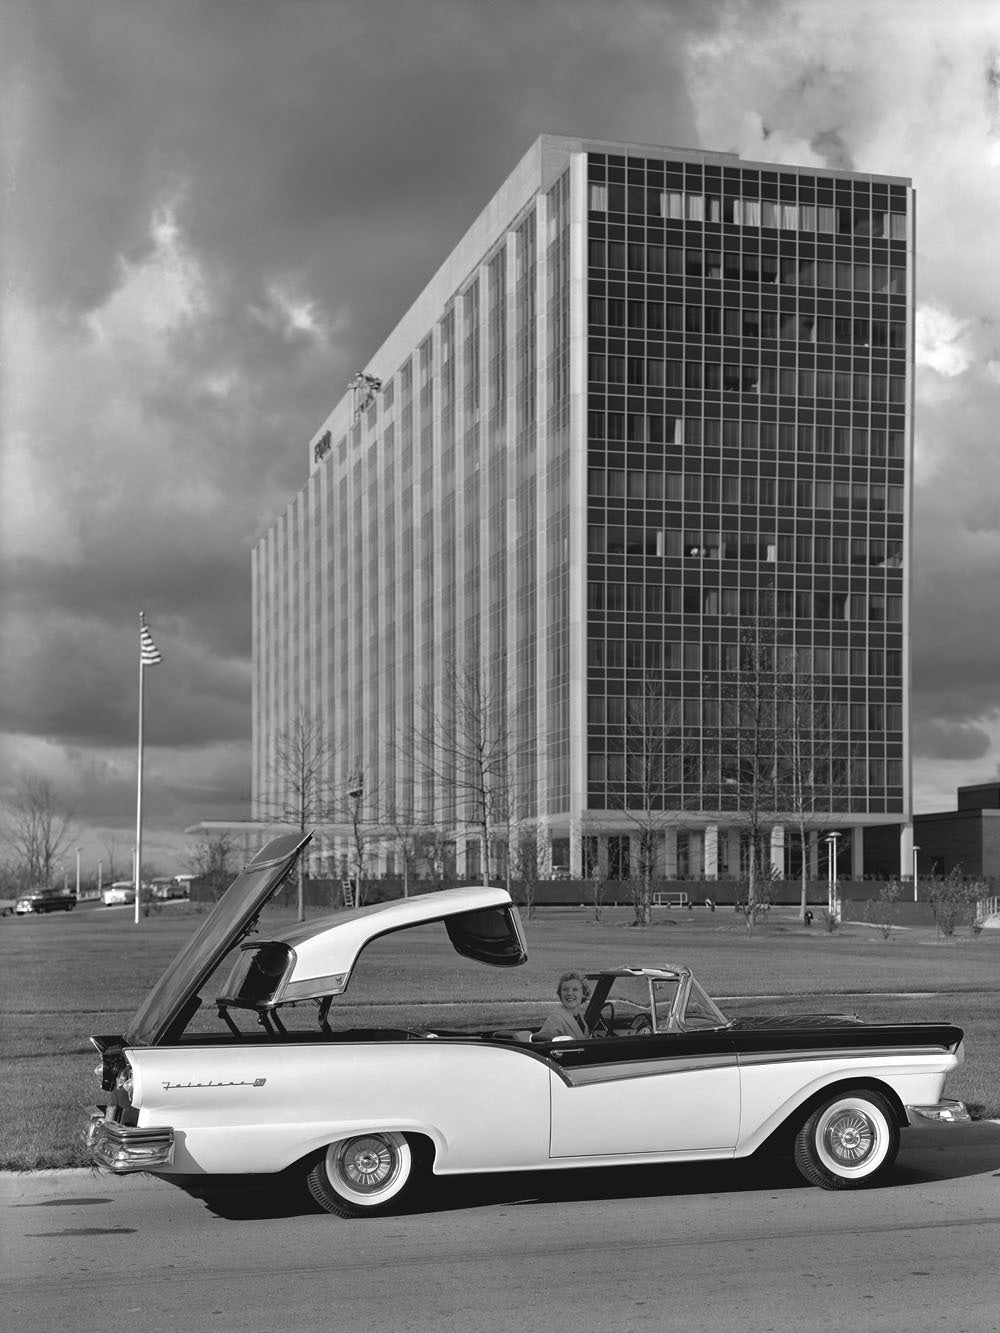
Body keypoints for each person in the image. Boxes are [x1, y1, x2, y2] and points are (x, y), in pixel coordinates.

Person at [533, 970, 592, 1041]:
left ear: (584, 993)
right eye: (565, 989)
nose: (570, 993)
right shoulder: (555, 1019)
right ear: (560, 993)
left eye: (575, 989)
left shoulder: (581, 1021)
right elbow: (545, 1046)